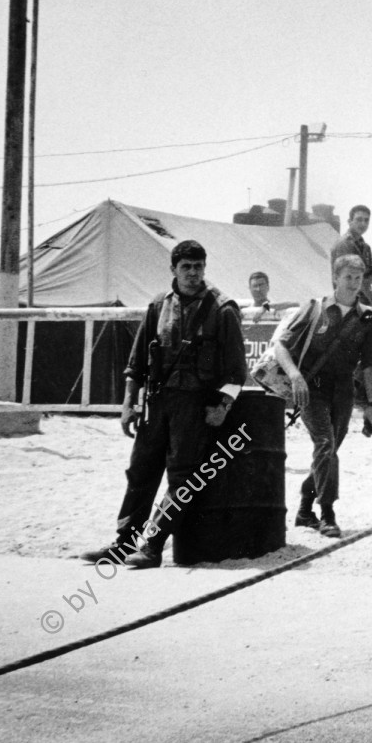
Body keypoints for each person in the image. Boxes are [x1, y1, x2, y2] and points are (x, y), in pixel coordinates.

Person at [79, 240, 246, 570]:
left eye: (199, 267)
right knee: (141, 472)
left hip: (195, 407)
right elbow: (137, 362)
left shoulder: (223, 309)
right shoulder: (158, 306)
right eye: (186, 267)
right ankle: (123, 543)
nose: (193, 274)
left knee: (182, 478)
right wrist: (128, 403)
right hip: (157, 403)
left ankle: (153, 546)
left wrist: (223, 406)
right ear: (173, 269)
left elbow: (237, 371)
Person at [274, 254, 372, 539]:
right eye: (348, 277)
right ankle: (327, 513)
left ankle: (304, 509)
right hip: (312, 389)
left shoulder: (367, 316)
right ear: (335, 278)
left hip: (344, 391)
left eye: (358, 278)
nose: (353, 283)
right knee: (325, 444)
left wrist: (371, 405)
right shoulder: (314, 308)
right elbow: (281, 346)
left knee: (329, 452)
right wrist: (295, 376)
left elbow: (370, 363)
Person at [332, 205, 372, 308]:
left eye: (366, 220)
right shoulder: (345, 244)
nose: (363, 224)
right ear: (349, 221)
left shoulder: (364, 246)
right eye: (359, 220)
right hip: (347, 302)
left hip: (361, 301)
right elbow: (357, 277)